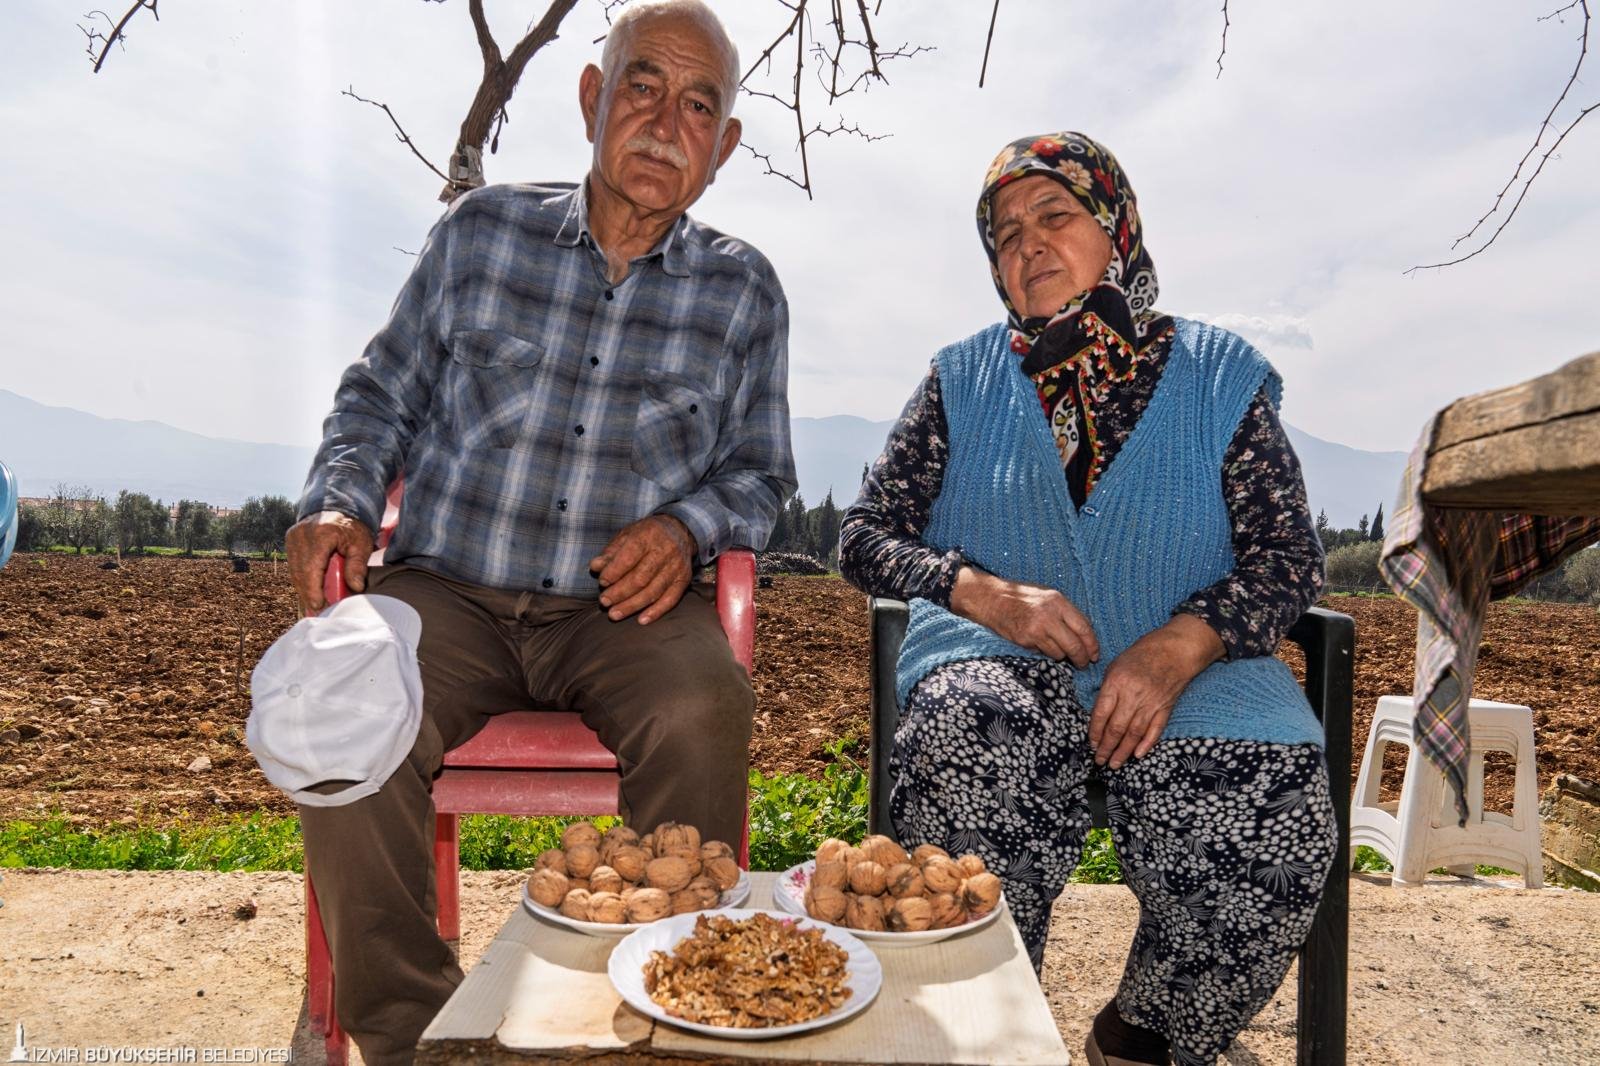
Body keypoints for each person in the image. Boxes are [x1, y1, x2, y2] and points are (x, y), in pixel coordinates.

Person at [282, 3, 795, 1061]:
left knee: (702, 705)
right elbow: (378, 395)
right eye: (642, 85)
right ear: (592, 97)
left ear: (725, 145)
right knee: (345, 707)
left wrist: (688, 527)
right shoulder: (481, 234)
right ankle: (418, 1035)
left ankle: (665, 1012)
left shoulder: (742, 290)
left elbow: (762, 475)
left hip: (622, 615)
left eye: (699, 105)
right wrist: (339, 496)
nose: (664, 120)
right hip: (452, 592)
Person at [839, 132, 1337, 1066]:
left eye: (1054, 215)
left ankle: (1141, 1038)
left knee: (1271, 817)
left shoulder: (1219, 377)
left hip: (1192, 675)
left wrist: (1182, 643)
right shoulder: (962, 377)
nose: (1025, 244)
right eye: (1003, 233)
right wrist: (980, 593)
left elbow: (1288, 559)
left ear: (1116, 226)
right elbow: (864, 535)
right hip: (996, 665)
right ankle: (980, 1034)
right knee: (966, 741)